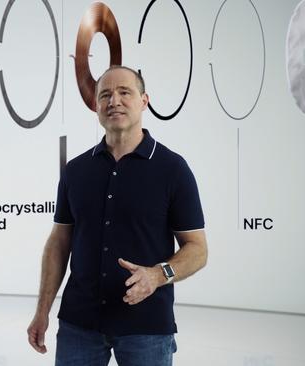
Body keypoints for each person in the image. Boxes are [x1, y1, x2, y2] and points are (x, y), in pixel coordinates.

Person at [27, 65, 208, 366]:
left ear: (144, 100)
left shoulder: (173, 169)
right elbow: (59, 242)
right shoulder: (76, 170)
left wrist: (157, 275)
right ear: (95, 106)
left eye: (125, 92)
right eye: (105, 95)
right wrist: (42, 310)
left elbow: (198, 249)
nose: (114, 101)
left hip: (146, 328)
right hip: (78, 325)